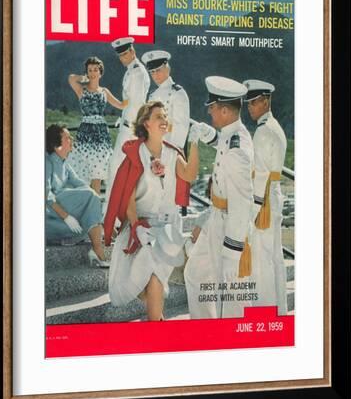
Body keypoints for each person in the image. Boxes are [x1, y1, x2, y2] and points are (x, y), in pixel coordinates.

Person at [104, 101, 199, 321]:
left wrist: (194, 143)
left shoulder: (173, 153)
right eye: (159, 116)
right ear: (146, 123)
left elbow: (189, 174)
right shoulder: (135, 153)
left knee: (155, 278)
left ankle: (155, 325)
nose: (164, 120)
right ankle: (157, 324)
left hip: (167, 228)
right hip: (140, 226)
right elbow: (127, 195)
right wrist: (136, 226)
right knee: (142, 282)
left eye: (166, 116)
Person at [184, 76, 254, 318]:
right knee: (194, 274)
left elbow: (243, 203)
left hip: (228, 227)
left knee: (231, 297)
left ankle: (233, 344)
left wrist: (233, 252)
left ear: (225, 110)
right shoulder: (230, 134)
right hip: (216, 217)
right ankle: (206, 333)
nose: (210, 113)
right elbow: (222, 145)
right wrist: (208, 135)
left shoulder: (238, 150)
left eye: (212, 109)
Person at [244, 79, 288, 315]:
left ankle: (265, 311)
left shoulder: (262, 132)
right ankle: (278, 310)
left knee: (261, 259)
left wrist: (253, 210)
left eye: (254, 102)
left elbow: (260, 175)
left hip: (265, 201)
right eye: (248, 103)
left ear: (266, 101)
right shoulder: (275, 126)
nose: (250, 107)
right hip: (275, 193)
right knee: (274, 256)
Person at [45, 124, 109, 268]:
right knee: (89, 195)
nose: (72, 138)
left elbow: (81, 184)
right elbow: (46, 195)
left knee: (91, 195)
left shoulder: (64, 163)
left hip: (58, 211)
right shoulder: (46, 162)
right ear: (56, 144)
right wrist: (66, 216)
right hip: (49, 215)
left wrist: (98, 207)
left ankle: (95, 248)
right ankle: (98, 251)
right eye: (67, 137)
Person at [67, 56, 123, 194]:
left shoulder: (104, 91)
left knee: (97, 173)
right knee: (83, 171)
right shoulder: (82, 90)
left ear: (100, 72)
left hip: (101, 134)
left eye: (95, 70)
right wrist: (84, 78)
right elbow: (71, 78)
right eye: (90, 70)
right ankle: (85, 204)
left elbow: (120, 105)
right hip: (85, 132)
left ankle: (96, 206)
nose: (92, 73)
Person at [105, 37, 150, 203]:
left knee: (115, 168)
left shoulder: (137, 73)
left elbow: (136, 105)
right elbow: (130, 103)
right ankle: (114, 211)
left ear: (133, 51)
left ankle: (110, 211)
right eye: (120, 56)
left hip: (131, 129)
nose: (123, 58)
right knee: (120, 169)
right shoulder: (132, 70)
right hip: (128, 125)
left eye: (125, 53)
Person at [142, 50, 190, 149]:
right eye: (152, 72)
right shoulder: (152, 95)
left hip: (170, 146)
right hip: (152, 147)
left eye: (158, 70)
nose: (155, 75)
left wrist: (175, 151)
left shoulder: (178, 93)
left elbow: (181, 127)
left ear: (167, 69)